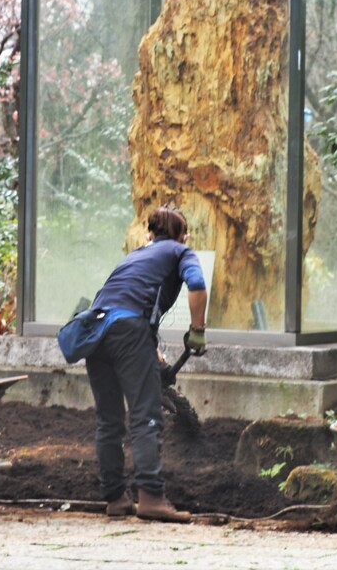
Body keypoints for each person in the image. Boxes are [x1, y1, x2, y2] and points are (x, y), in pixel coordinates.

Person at [85, 205, 208, 523]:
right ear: (185, 235)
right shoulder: (181, 252)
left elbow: (118, 302)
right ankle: (152, 498)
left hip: (95, 330)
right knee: (145, 415)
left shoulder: (132, 257)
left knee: (109, 420)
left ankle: (115, 499)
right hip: (128, 331)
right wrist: (197, 330)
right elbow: (196, 285)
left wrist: (150, 349)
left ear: (148, 235)